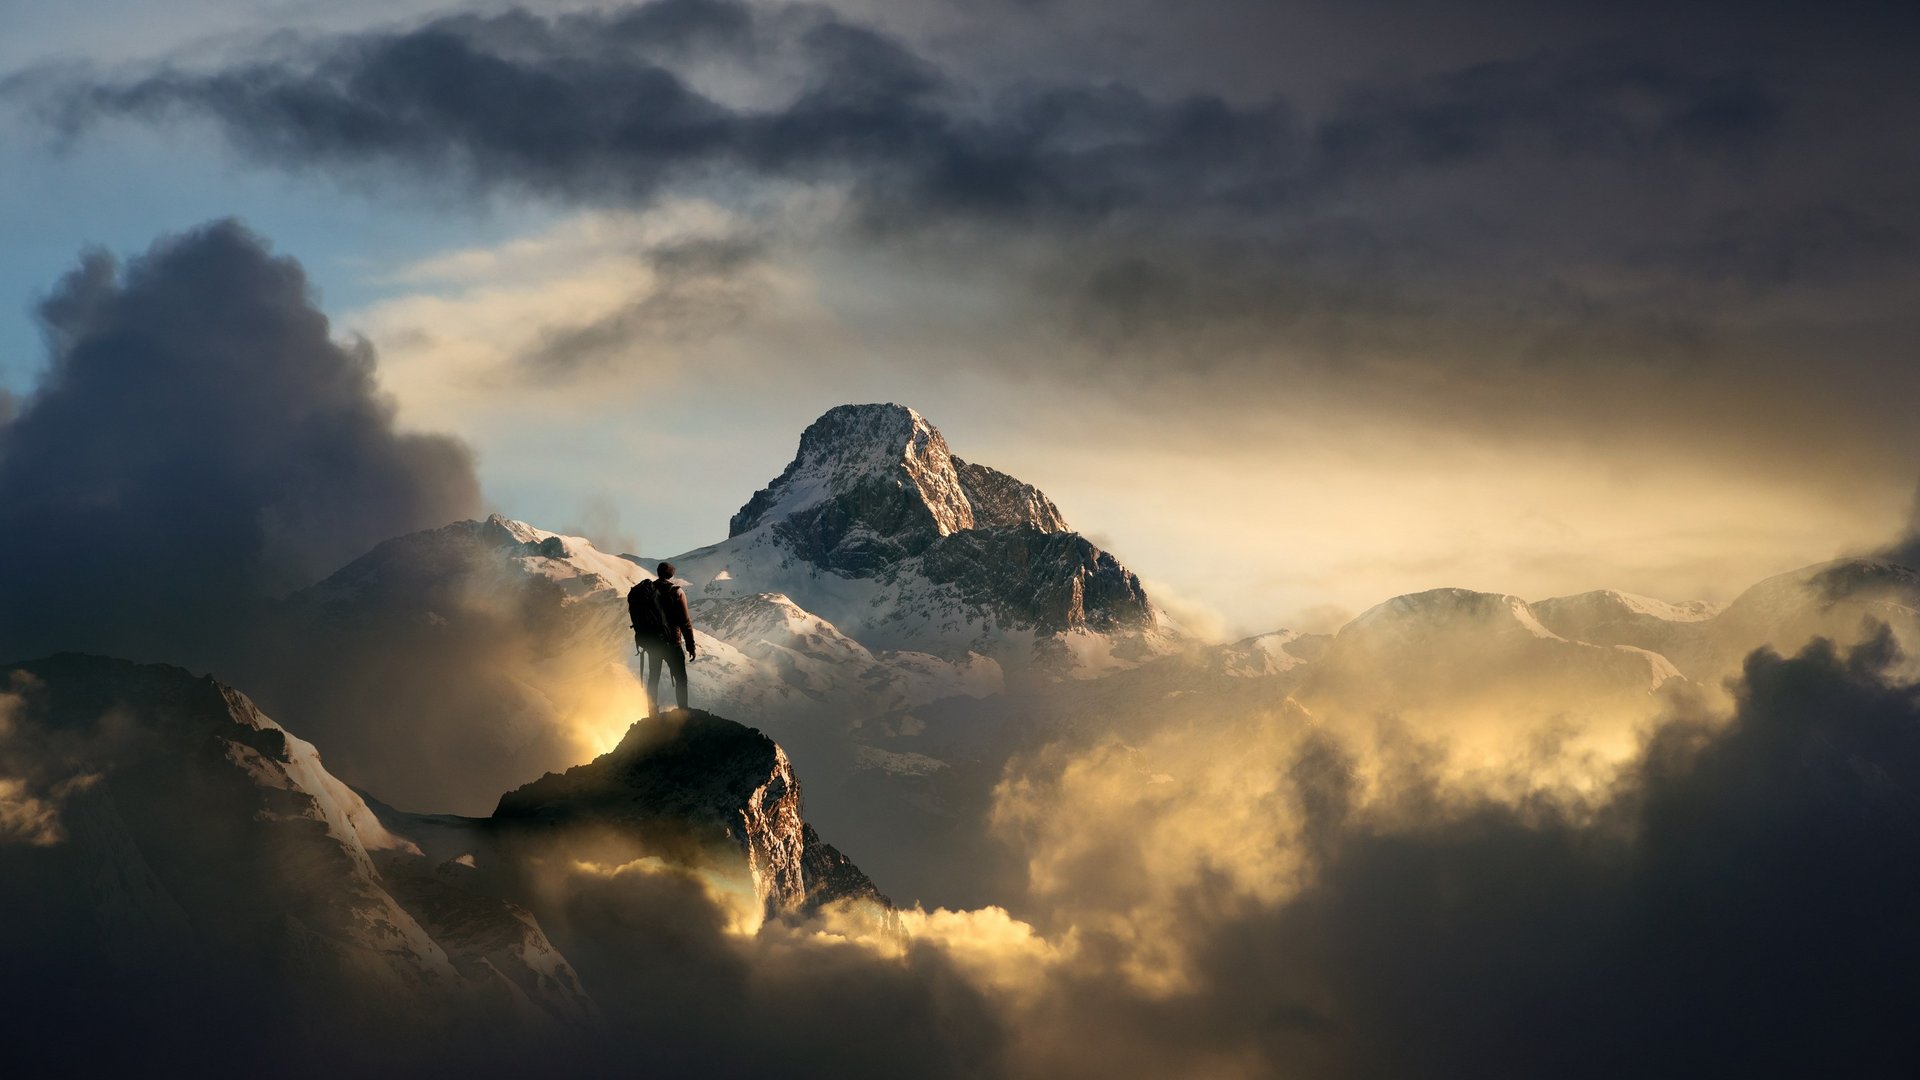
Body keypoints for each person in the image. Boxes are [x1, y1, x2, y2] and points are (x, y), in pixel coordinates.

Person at [628, 561, 696, 714]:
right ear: (671, 574)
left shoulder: (648, 591)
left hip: (654, 643)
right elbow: (685, 622)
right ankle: (683, 712)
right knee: (681, 679)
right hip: (672, 643)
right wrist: (690, 645)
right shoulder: (677, 592)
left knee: (653, 678)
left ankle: (652, 712)